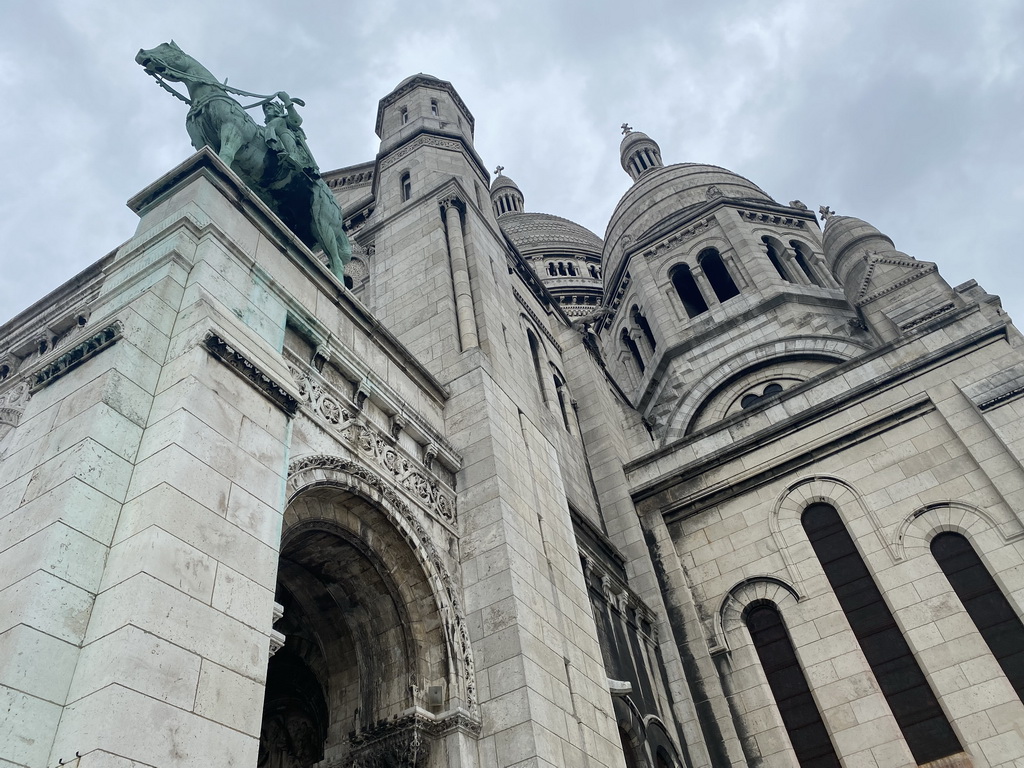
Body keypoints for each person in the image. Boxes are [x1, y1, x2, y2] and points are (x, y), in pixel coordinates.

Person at [262, 91, 319, 177]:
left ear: (277, 110)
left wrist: (287, 101)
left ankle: (293, 157)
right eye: (265, 110)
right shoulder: (267, 127)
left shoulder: (284, 119)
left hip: (290, 140)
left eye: (269, 108)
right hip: (271, 141)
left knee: (279, 127)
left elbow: (297, 121)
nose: (266, 110)